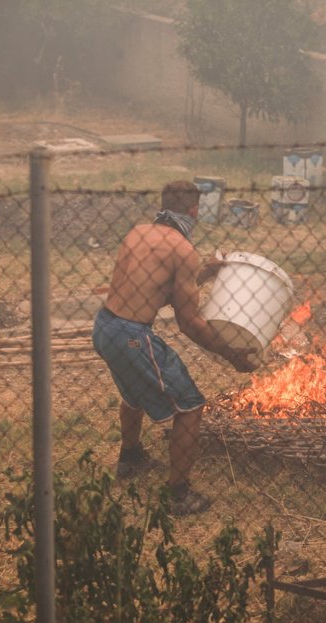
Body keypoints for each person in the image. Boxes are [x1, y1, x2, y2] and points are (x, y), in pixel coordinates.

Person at [93, 180, 257, 516]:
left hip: (106, 326)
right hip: (133, 335)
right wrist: (230, 353)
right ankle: (178, 495)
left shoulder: (138, 232)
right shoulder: (183, 250)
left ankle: (131, 458)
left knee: (133, 395)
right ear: (195, 212)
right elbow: (188, 321)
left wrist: (203, 275)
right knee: (190, 408)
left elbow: (157, 290)